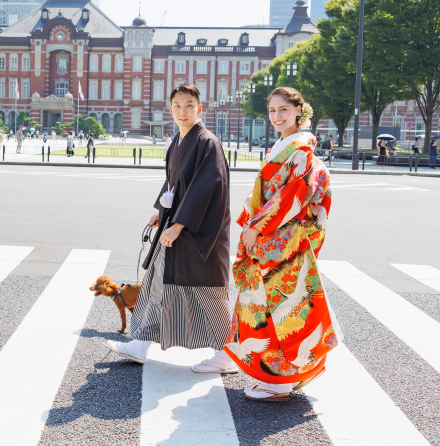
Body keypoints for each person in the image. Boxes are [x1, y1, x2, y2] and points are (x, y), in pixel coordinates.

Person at [204, 87, 340, 402]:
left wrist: (255, 227)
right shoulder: (286, 145)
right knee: (266, 305)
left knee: (282, 309)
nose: (277, 117)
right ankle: (282, 374)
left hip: (282, 237)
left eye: (283, 110)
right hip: (276, 236)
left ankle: (281, 380)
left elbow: (290, 196)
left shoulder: (301, 148)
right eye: (272, 110)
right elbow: (267, 193)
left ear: (298, 111)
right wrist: (249, 221)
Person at [104, 84, 231, 365]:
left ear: (200, 108)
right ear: (170, 108)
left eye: (189, 105)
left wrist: (179, 224)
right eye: (177, 105)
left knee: (207, 293)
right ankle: (141, 343)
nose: (182, 111)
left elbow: (205, 187)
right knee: (159, 284)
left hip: (197, 233)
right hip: (176, 227)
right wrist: (162, 213)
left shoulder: (207, 142)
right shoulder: (178, 140)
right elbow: (174, 184)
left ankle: (228, 352)